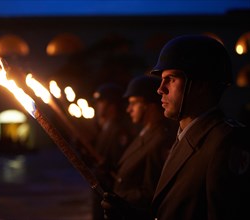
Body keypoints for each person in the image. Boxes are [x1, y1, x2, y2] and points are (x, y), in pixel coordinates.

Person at [102, 35, 250, 220]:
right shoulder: (186, 136)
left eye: (171, 79)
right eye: (162, 80)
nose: (160, 89)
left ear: (201, 85)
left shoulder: (225, 142)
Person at [102, 75, 178, 220]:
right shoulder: (145, 133)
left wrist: (119, 197)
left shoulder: (161, 140)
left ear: (150, 106)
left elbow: (152, 191)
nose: (128, 109)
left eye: (133, 103)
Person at [92, 83, 133, 220]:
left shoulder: (118, 131)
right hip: (101, 194)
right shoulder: (106, 128)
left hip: (109, 194)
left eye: (101, 102)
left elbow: (120, 166)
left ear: (112, 105)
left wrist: (107, 167)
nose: (98, 106)